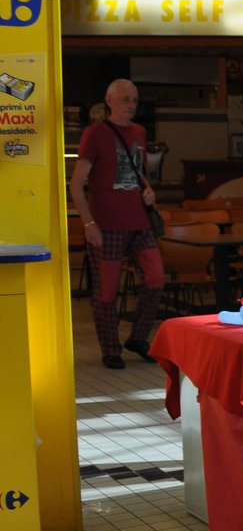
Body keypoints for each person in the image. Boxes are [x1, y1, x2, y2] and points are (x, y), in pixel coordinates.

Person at [69, 78, 164, 369]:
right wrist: (89, 224)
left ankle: (137, 337)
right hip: (107, 225)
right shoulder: (95, 134)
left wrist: (148, 191)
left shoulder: (139, 132)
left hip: (139, 222)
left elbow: (138, 172)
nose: (131, 105)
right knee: (107, 292)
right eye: (125, 99)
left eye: (134, 99)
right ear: (109, 101)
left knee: (156, 279)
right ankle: (111, 349)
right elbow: (76, 184)